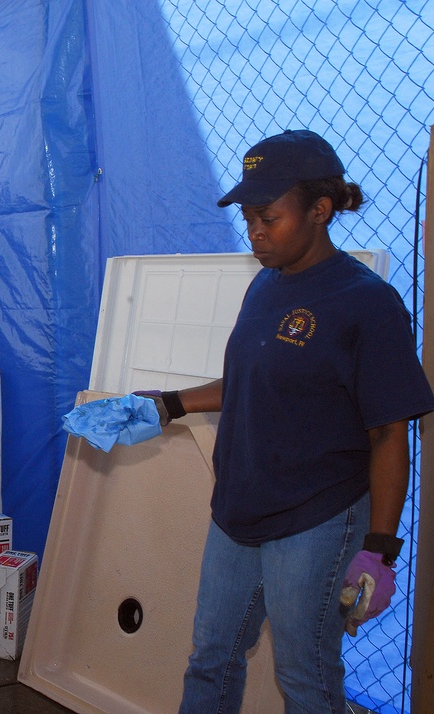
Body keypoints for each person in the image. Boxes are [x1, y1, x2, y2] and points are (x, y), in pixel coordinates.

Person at [139, 130, 434, 713]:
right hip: (238, 512)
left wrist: (379, 549)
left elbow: (388, 433)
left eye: (268, 217)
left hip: (314, 519)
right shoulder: (265, 286)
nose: (255, 232)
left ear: (320, 211)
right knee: (211, 656)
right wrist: (167, 403)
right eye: (249, 217)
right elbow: (252, 384)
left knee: (304, 676)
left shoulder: (367, 304)